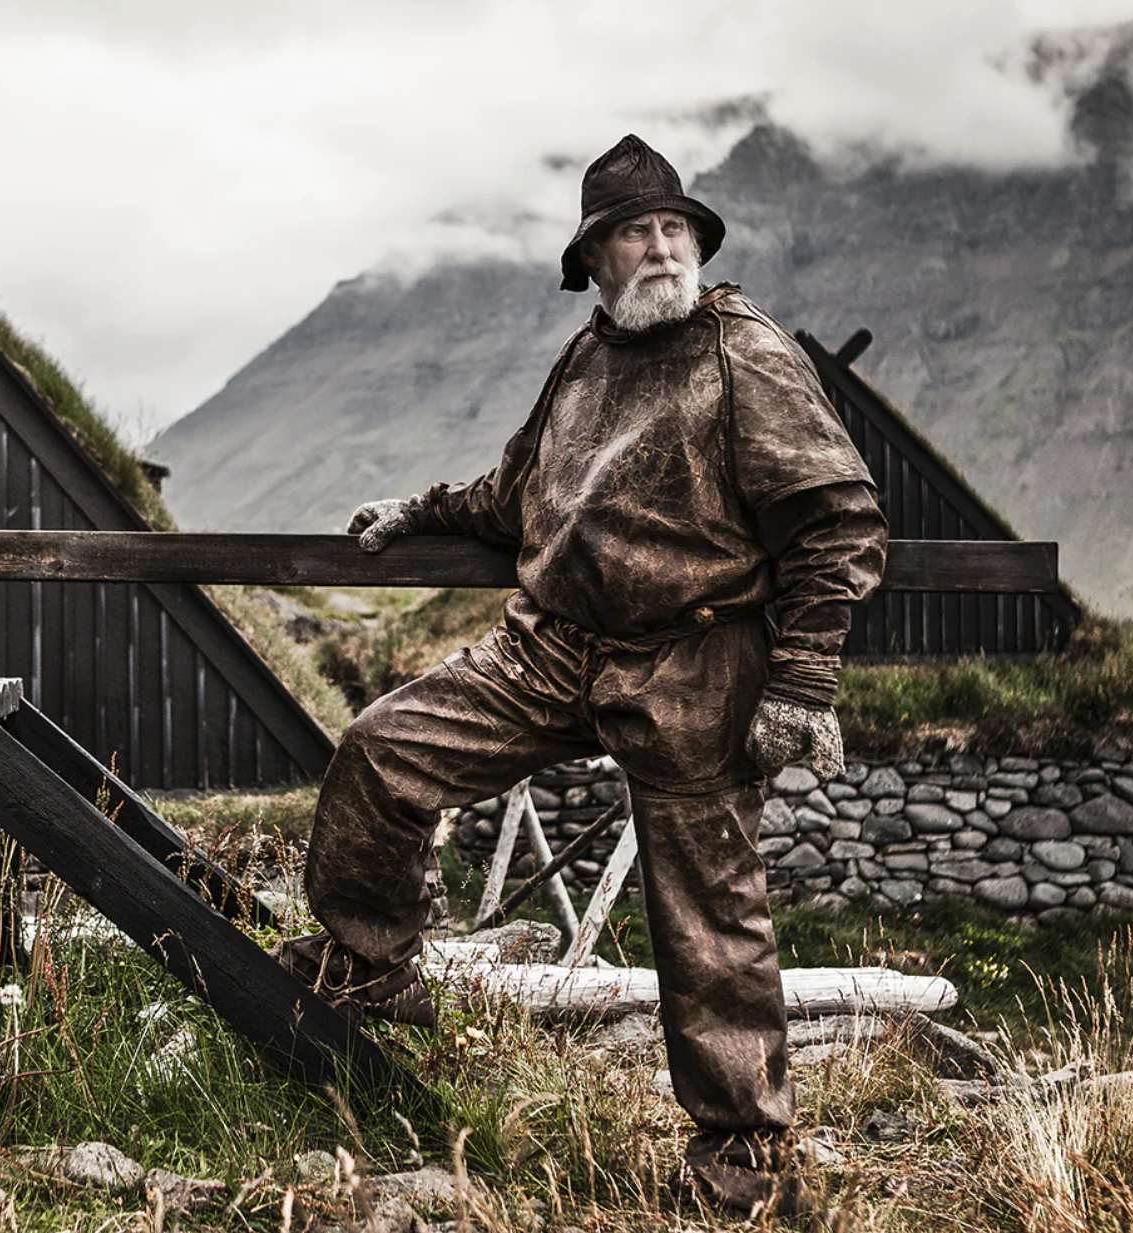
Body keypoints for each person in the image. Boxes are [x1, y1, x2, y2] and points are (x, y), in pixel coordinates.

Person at [278, 133, 888, 1214]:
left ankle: (740, 1167)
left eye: (671, 230)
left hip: (695, 661)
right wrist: (417, 512)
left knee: (709, 920)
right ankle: (371, 968)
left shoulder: (741, 349)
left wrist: (799, 682)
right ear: (593, 261)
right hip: (549, 648)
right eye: (631, 233)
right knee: (384, 750)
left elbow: (834, 519)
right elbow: (516, 493)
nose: (658, 249)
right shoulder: (586, 357)